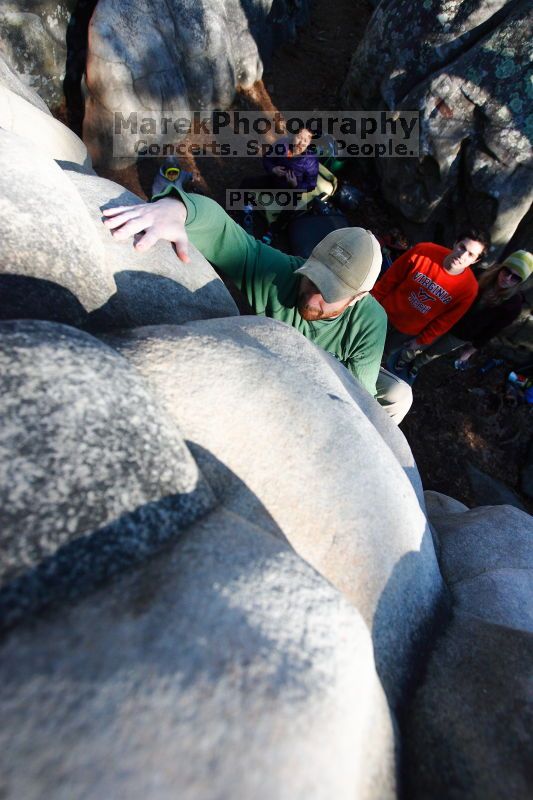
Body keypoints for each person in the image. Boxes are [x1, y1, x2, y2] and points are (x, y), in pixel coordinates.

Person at [102, 185, 413, 423]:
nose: (311, 295)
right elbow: (230, 237)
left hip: (337, 370)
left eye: (329, 292)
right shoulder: (283, 274)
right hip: (288, 357)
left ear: (358, 298)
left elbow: (358, 399)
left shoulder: (369, 321)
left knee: (400, 396)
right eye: (313, 277)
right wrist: (179, 208)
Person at [371, 229, 490, 371]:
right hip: (382, 310)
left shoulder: (469, 289)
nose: (462, 255)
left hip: (406, 330)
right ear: (455, 243)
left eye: (470, 254)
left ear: (475, 260)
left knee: (379, 356)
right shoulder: (424, 251)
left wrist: (421, 340)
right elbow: (390, 279)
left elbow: (446, 320)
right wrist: (372, 299)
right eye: (462, 247)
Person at [405, 250, 533, 374]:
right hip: (447, 318)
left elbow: (493, 330)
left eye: (515, 277)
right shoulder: (479, 274)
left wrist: (471, 350)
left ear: (520, 282)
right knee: (423, 340)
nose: (507, 278)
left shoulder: (513, 305)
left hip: (463, 334)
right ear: (501, 268)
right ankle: (404, 358)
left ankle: (417, 365)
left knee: (434, 352)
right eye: (506, 271)